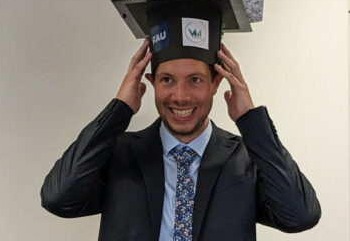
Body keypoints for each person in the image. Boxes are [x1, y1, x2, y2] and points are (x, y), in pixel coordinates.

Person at [41, 36, 321, 240]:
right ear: (150, 83)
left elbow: (300, 216)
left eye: (195, 80)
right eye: (167, 80)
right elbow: (58, 198)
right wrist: (119, 109)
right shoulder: (120, 154)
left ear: (216, 84)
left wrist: (251, 120)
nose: (180, 96)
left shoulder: (245, 159)